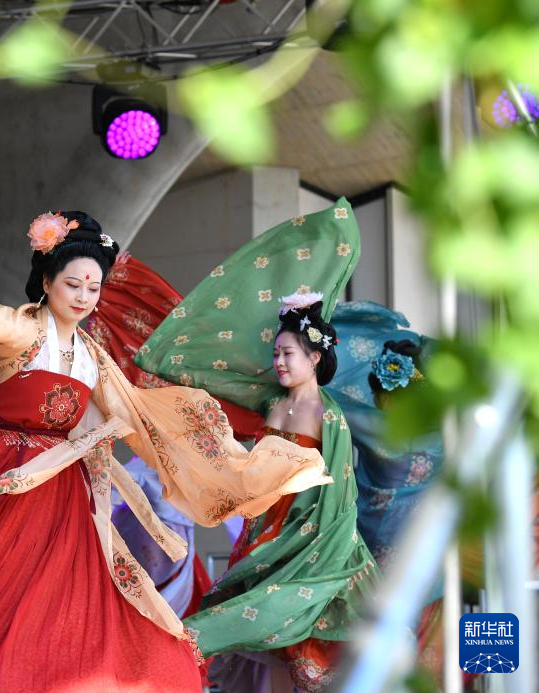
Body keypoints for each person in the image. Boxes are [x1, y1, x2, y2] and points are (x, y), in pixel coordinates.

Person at [0, 150, 334, 691]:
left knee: (67, 624)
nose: (83, 297)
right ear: (46, 279)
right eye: (73, 284)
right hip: (2, 482)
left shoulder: (93, 358)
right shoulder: (18, 330)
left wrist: (241, 470)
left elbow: (138, 421)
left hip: (64, 499)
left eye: (94, 287)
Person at [136, 201, 378, 692]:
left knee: (291, 640)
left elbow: (336, 499)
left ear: (315, 357)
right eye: (275, 354)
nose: (279, 362)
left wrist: (299, 548)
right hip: (263, 535)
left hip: (309, 545)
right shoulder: (273, 405)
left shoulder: (328, 416)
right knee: (268, 652)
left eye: (287, 353)